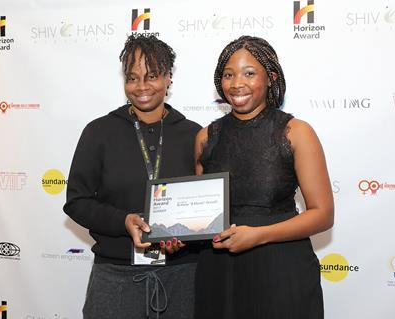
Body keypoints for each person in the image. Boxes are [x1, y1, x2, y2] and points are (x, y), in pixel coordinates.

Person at [194, 35, 334, 318]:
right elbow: (200, 216)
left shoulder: (296, 132)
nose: (236, 84)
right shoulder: (206, 137)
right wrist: (174, 235)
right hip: (220, 271)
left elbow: (322, 215)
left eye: (249, 73)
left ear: (270, 77)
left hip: (281, 269)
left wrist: (258, 236)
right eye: (228, 75)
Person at [63, 34, 201, 319]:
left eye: (151, 76)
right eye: (132, 77)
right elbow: (77, 202)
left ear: (168, 78)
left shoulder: (194, 134)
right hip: (115, 277)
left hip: (182, 277)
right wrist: (123, 221)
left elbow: (203, 205)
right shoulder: (98, 132)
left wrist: (187, 235)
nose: (141, 87)